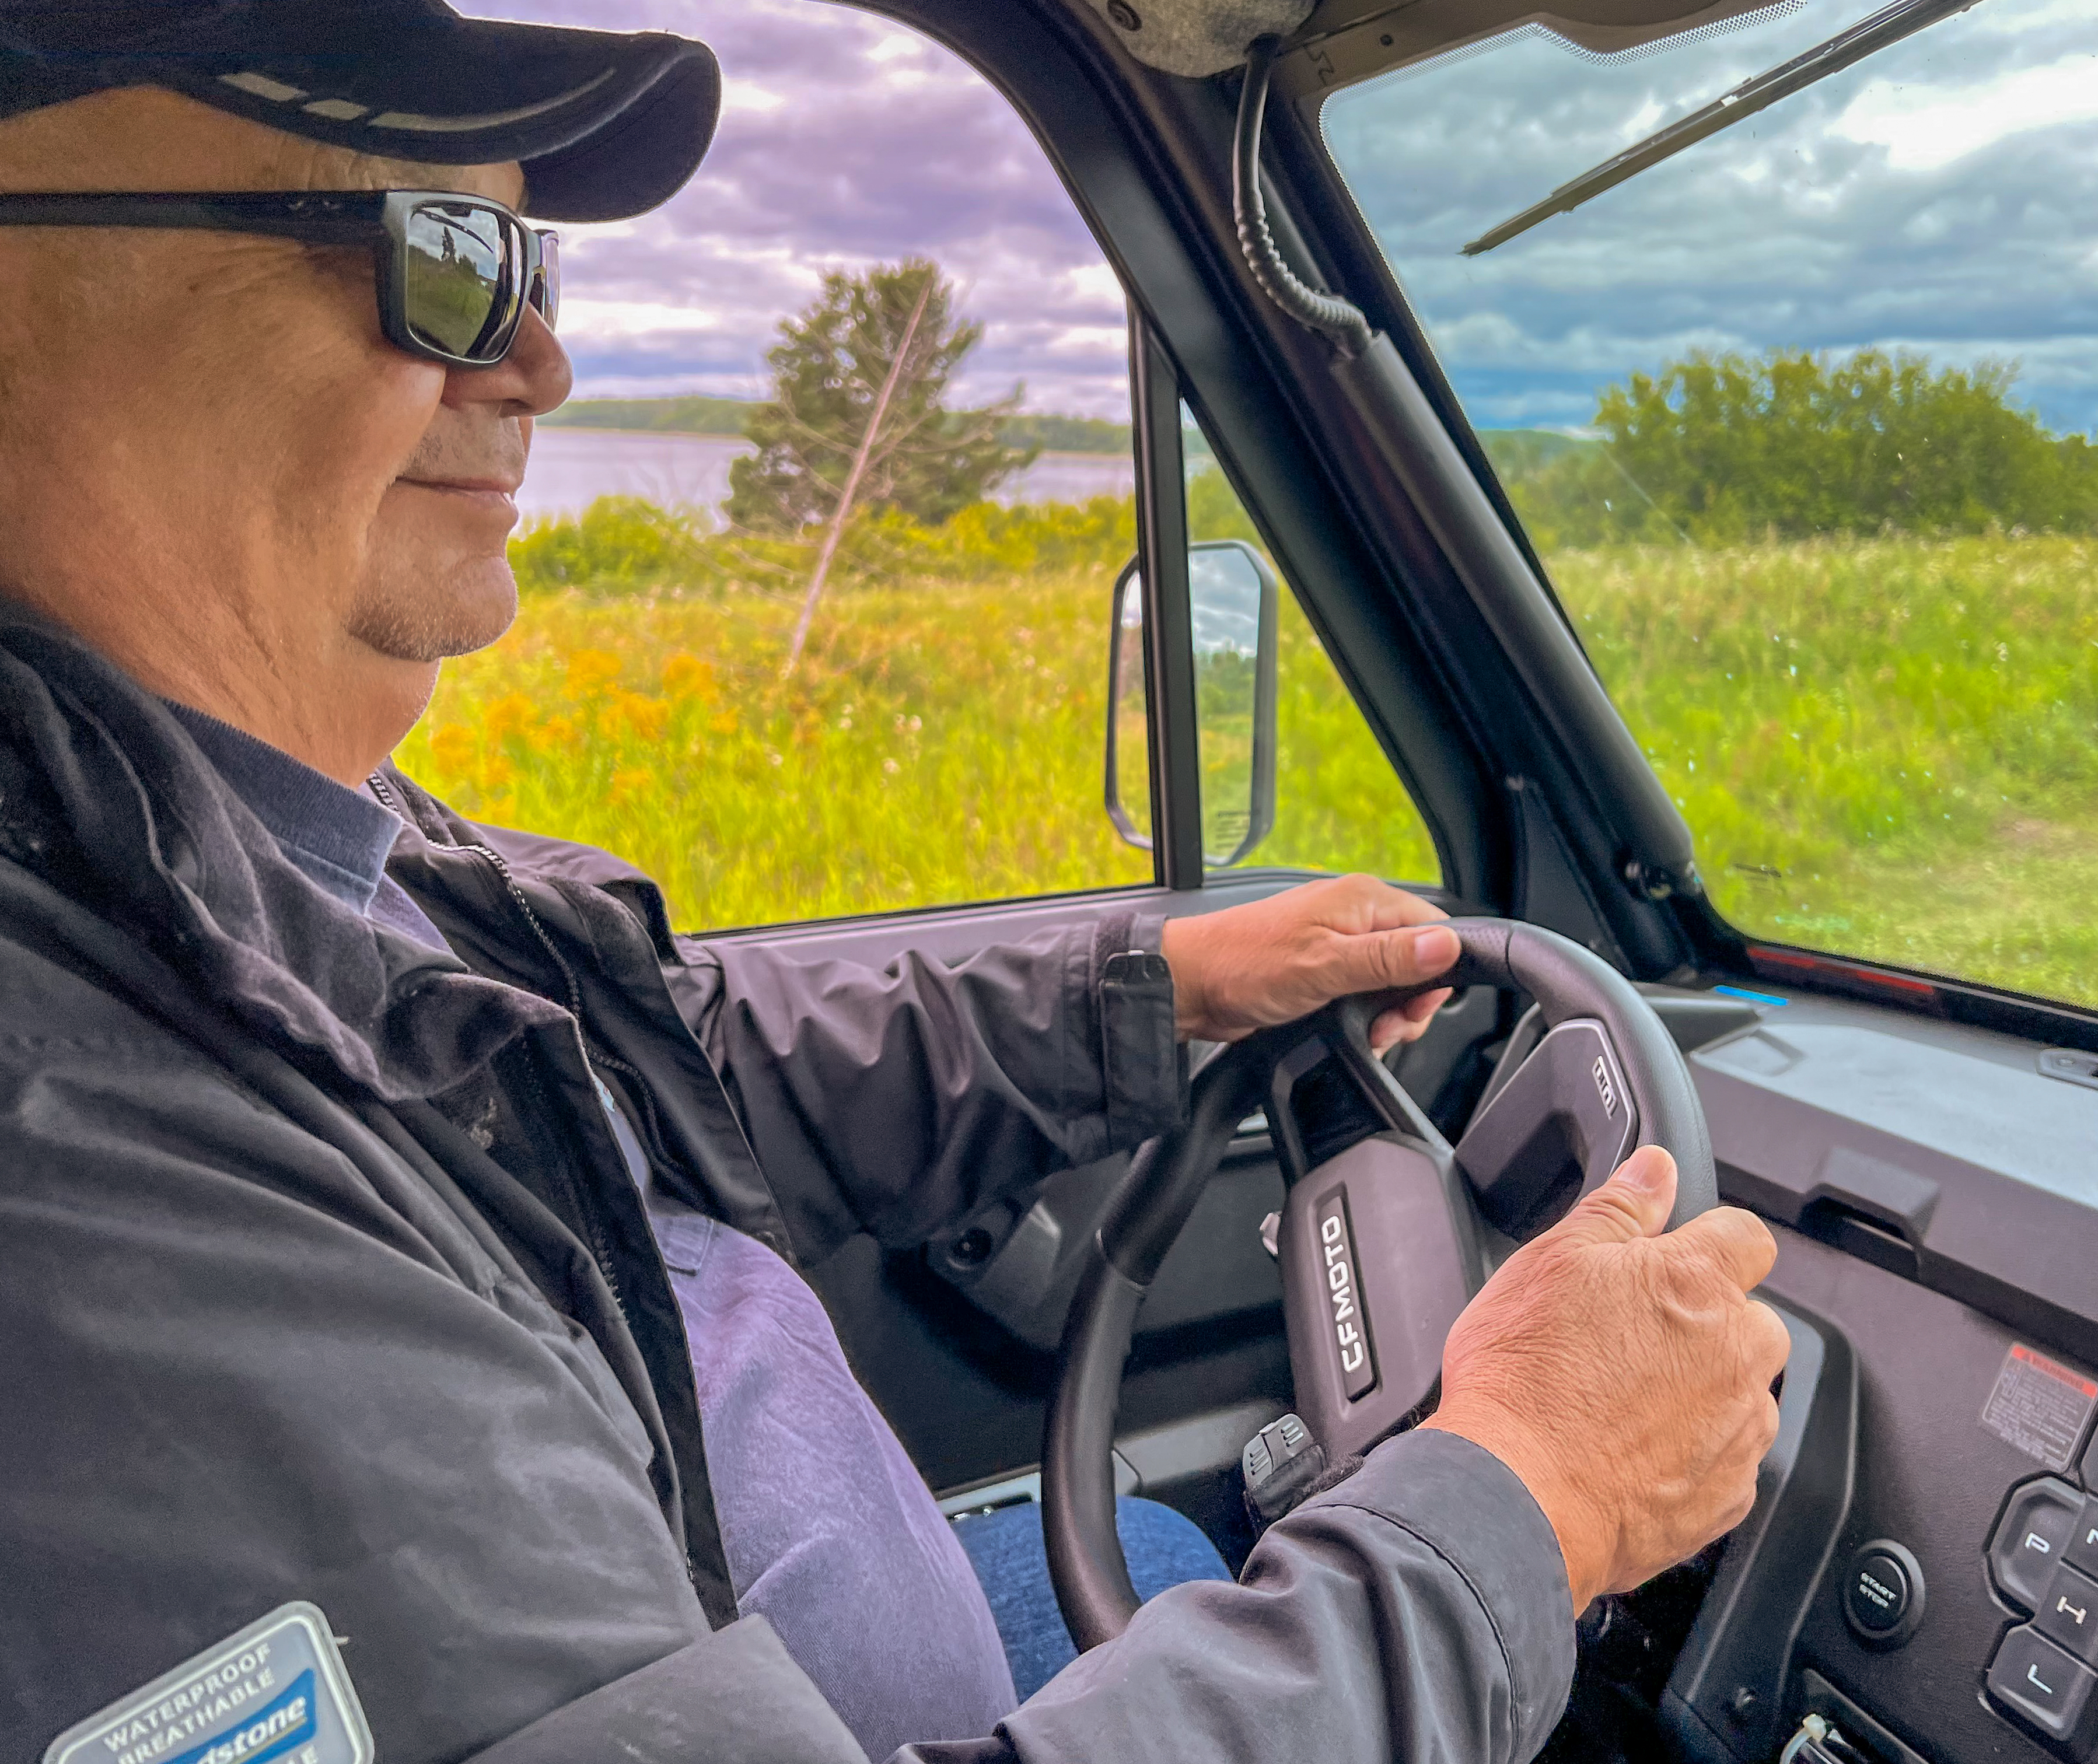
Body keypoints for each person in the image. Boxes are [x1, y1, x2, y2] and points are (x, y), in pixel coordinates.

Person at [0, 6, 1791, 1764]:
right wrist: (1521, 1507)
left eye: (531, 267)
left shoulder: (261, 841)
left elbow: (646, 1059)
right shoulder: (92, 1184)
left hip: (799, 1639)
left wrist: (1157, 990)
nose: (538, 363)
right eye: (440, 257)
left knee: (1155, 1549)